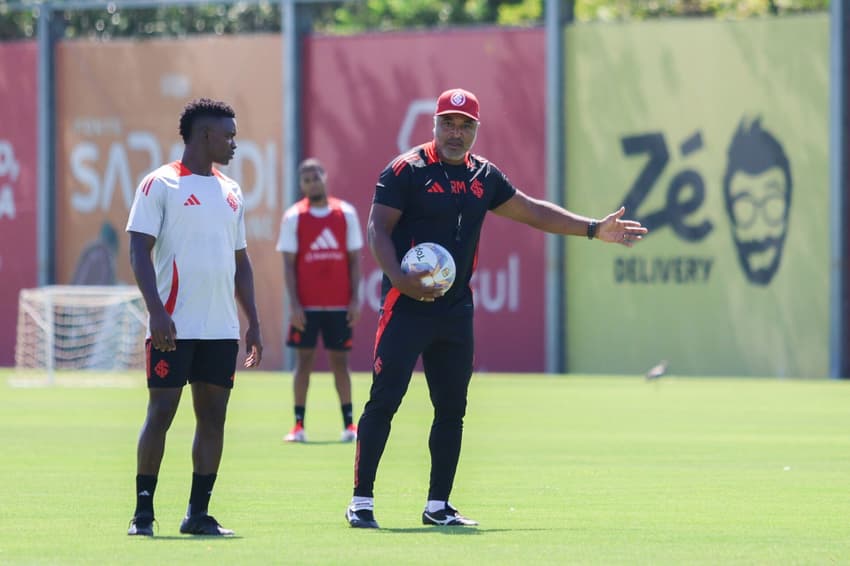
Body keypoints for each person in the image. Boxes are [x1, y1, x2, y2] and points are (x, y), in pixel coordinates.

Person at [345, 88, 648, 529]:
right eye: (448, 122)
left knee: (452, 408)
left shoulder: (484, 176)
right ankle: (361, 501)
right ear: (434, 124)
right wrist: (398, 279)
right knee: (384, 400)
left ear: (476, 131)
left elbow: (532, 212)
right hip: (405, 306)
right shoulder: (405, 170)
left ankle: (438, 506)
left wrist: (592, 229)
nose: (456, 132)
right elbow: (378, 229)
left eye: (465, 125)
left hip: (454, 311)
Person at [125, 98, 263, 537]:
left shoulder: (232, 191)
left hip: (220, 329)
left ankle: (197, 514)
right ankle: (143, 513)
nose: (234, 143)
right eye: (229, 135)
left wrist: (253, 321)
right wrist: (157, 311)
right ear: (205, 135)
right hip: (173, 327)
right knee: (162, 411)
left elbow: (241, 262)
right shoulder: (159, 184)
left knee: (214, 417)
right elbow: (137, 250)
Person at [275, 158, 363, 443]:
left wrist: (354, 299)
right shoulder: (293, 217)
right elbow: (289, 264)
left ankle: (350, 425)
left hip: (339, 305)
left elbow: (354, 261)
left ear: (325, 178)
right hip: (307, 307)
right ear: (301, 185)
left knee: (341, 364)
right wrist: (295, 305)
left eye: (316, 177)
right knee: (304, 364)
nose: (313, 183)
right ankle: (298, 425)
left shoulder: (345, 214)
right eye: (307, 179)